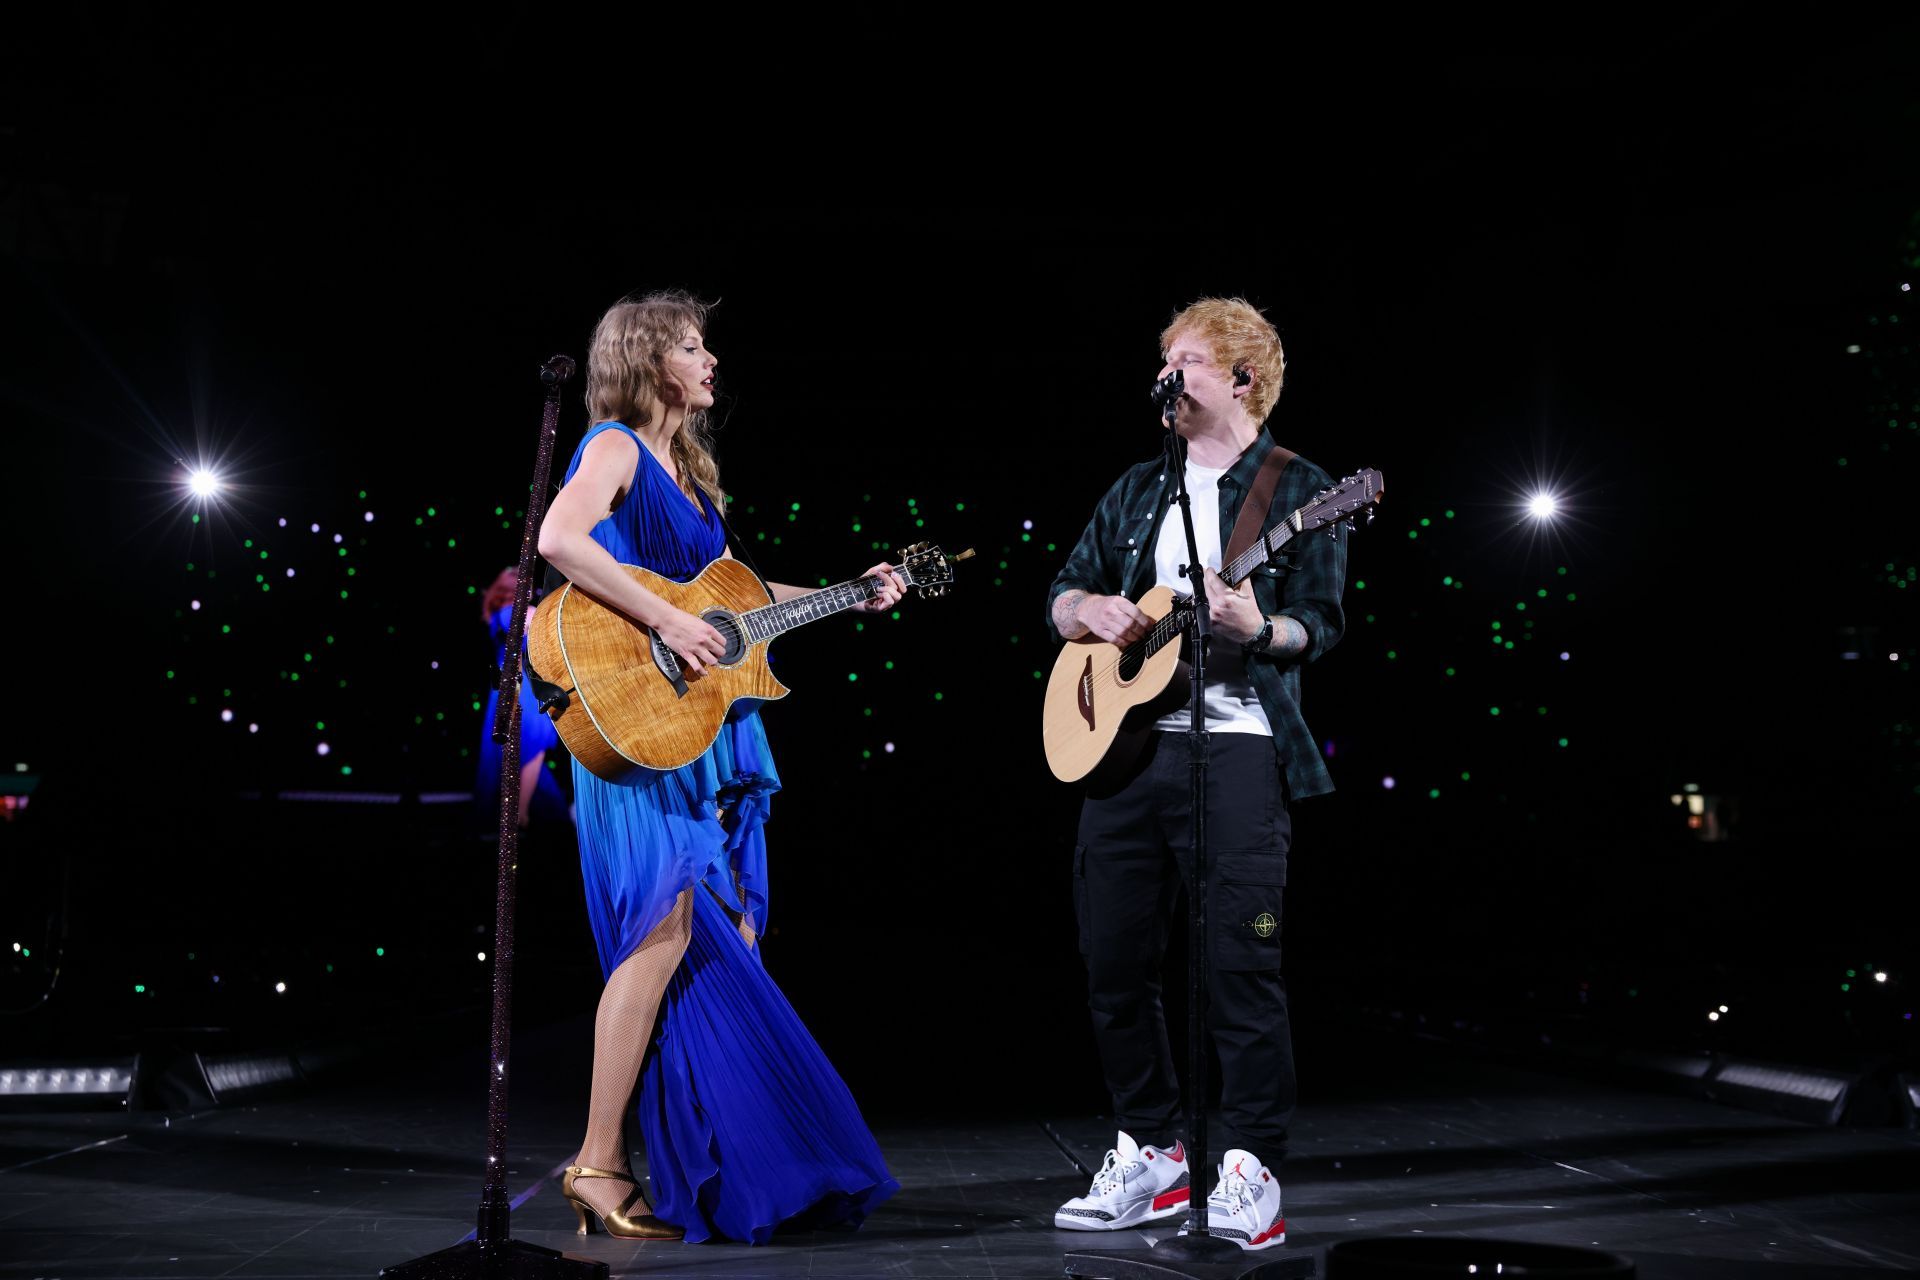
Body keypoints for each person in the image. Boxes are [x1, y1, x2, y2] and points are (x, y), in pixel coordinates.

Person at [534, 290, 902, 1244]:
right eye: (693, 348)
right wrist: (662, 619)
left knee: (719, 935)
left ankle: (722, 1159)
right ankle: (598, 1161)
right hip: (632, 727)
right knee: (659, 933)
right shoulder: (612, 446)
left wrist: (848, 593)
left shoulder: (694, 479)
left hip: (696, 730)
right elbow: (559, 541)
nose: (709, 364)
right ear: (652, 360)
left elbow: (733, 601)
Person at [1045, 297, 1348, 1253]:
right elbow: (1061, 593)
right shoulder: (1138, 488)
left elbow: (1320, 627)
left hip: (1240, 747)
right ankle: (1154, 1152)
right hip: (1126, 755)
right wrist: (1090, 610)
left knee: (1239, 963)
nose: (1165, 377)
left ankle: (1250, 1163)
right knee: (1113, 965)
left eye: (1183, 362)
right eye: (1163, 362)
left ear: (1241, 377)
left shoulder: (1303, 490)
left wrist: (1260, 628)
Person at [473, 567, 568, 830]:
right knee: (533, 739)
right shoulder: (506, 614)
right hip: (517, 688)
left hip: (520, 686)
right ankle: (520, 813)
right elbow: (529, 625)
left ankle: (523, 812)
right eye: (522, 583)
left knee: (530, 746)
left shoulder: (509, 614)